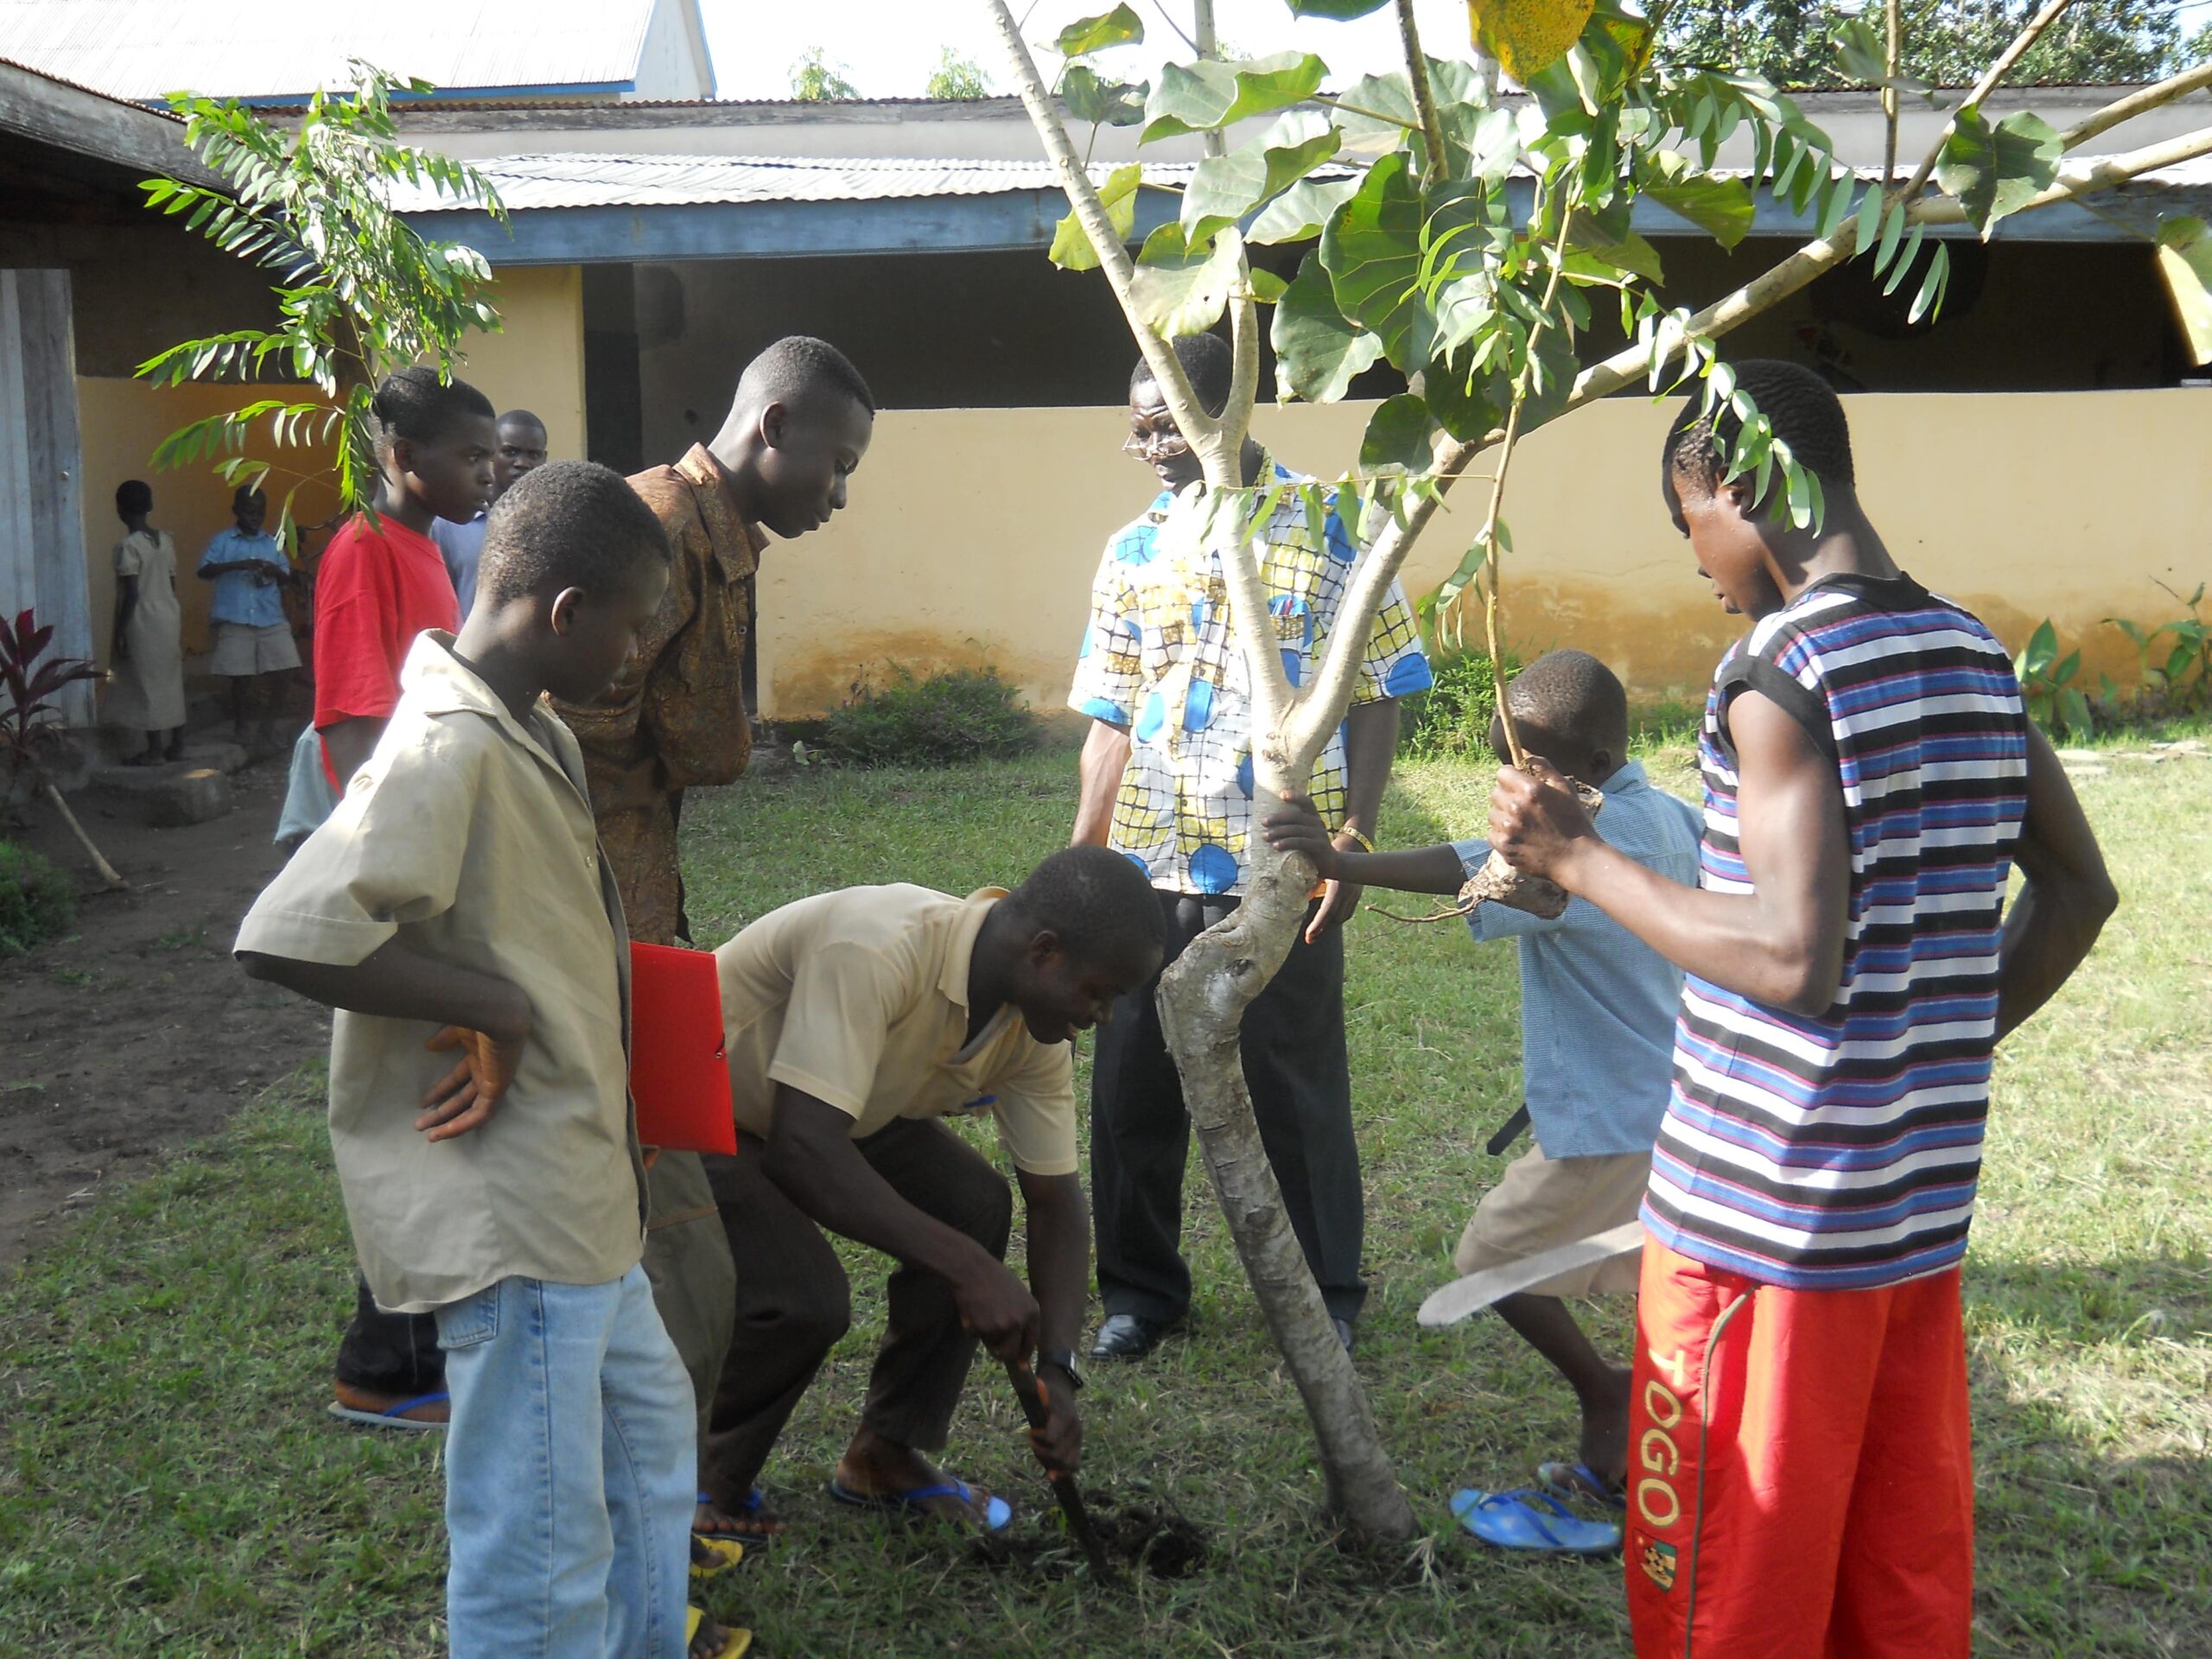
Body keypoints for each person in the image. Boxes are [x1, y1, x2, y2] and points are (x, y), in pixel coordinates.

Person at [1483, 360, 2117, 1657]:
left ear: (1729, 485)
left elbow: (1788, 956)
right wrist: (1920, 1045)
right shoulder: (1969, 650)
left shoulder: (1783, 671)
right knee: (1892, 1594)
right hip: (1909, 1232)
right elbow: (2078, 894)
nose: (1700, 566)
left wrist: (1578, 860)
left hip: (1751, 1245)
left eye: (1687, 526)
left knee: (1722, 1599)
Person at [235, 461, 744, 1659]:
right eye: (632, 628)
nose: (638, 655)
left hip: (585, 1200)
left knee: (645, 1470)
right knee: (540, 1542)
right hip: (518, 1219)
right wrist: (494, 1008)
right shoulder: (444, 743)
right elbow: (286, 936)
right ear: (567, 614)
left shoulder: (534, 726)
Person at [1264, 649, 1700, 1555]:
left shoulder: (1590, 842)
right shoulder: (1675, 819)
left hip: (1609, 1122)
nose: (1518, 781)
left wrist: (1342, 862)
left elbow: (1466, 866)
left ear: (1583, 760)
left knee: (1490, 1261)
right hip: (1669, 1108)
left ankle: (1612, 1402)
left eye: (1531, 763)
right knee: (1669, 1296)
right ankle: (1637, 1456)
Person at [552, 335, 874, 1550]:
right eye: (836, 466)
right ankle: (636, 1518)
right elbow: (590, 738)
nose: (838, 499)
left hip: (646, 930)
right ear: (774, 425)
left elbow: (691, 746)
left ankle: (663, 1500)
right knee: (662, 1249)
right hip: (591, 946)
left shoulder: (716, 538)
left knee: (689, 1234)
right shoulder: (658, 532)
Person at [1067, 333, 1433, 1360]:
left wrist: (1350, 840)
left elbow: (1376, 694)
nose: (1147, 443)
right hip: (1148, 868)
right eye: (1136, 424)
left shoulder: (1331, 522)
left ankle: (1329, 1292)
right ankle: (1141, 1294)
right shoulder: (1130, 550)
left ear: (1230, 410)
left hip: (1279, 868)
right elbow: (1109, 716)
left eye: (1166, 421)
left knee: (1294, 1084)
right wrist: (1082, 861)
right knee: (1132, 1086)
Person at [696, 848, 1166, 1537]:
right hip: (700, 1111)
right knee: (802, 1300)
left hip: (824, 1114)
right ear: (1044, 952)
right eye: (1100, 992)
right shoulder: (879, 945)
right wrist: (971, 1270)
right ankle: (698, 1489)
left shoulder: (1030, 1027)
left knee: (973, 1205)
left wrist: (1057, 1372)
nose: (1104, 1017)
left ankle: (883, 1454)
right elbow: (802, 1150)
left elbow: (1056, 1201)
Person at [312, 366, 496, 1430]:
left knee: (436, 1115)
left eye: (485, 455)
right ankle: (380, 1368)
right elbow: (349, 725)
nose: (482, 473)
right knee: (408, 1121)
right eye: (466, 456)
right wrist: (385, 881)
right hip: (392, 875)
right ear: (399, 456)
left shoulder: (426, 550)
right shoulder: (364, 554)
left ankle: (413, 1352)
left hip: (435, 862)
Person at [197, 485, 300, 747]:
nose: (254, 517)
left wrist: (272, 570)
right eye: (249, 512)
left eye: (259, 513)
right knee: (240, 678)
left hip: (270, 616)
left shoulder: (271, 543)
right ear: (236, 511)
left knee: (286, 668)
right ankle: (241, 726)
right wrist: (240, 565)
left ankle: (268, 726)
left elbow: (287, 577)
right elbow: (204, 571)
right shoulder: (222, 541)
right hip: (236, 618)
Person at [433, 408, 549, 623]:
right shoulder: (452, 524)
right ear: (492, 454)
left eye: (533, 455)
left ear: (544, 459)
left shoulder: (552, 525)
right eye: (511, 452)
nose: (522, 463)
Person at [105, 480, 186, 765]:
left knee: (146, 683)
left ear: (120, 509)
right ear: (150, 506)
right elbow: (171, 582)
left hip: (141, 618)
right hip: (168, 613)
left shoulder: (128, 547)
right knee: (170, 678)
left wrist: (121, 631)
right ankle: (177, 744)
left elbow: (132, 593)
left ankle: (154, 751)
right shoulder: (166, 540)